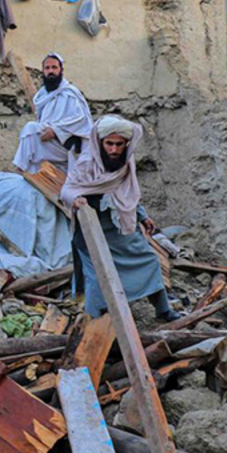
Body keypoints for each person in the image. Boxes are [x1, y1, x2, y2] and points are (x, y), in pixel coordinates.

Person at [61, 115, 180, 321]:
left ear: (126, 144)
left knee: (149, 261)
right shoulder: (87, 163)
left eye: (119, 144)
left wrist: (142, 216)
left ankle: (163, 310)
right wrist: (77, 200)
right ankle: (95, 321)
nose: (114, 150)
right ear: (100, 143)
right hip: (93, 230)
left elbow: (127, 191)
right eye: (109, 144)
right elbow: (67, 190)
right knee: (98, 277)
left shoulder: (125, 162)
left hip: (121, 227)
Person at [12, 52, 92, 174]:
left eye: (54, 67)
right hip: (49, 142)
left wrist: (56, 131)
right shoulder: (42, 95)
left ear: (61, 70)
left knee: (30, 128)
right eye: (47, 68)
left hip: (67, 146)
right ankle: (26, 173)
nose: (51, 71)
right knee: (32, 134)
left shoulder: (69, 94)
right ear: (43, 71)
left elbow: (81, 121)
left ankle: (20, 170)